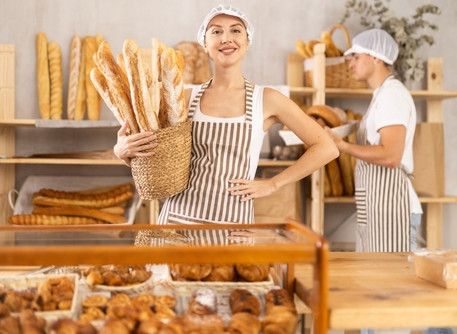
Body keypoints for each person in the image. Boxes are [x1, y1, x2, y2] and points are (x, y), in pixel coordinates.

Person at [114, 4, 338, 227]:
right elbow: (156, 155)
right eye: (216, 31)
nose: (226, 38)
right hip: (177, 222)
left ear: (247, 42)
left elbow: (326, 147)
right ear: (204, 43)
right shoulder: (185, 97)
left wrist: (273, 184)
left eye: (236, 30)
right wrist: (122, 150)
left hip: (233, 228)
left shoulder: (267, 99)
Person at [327, 28, 423, 252]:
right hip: (379, 208)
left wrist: (342, 146)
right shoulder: (382, 95)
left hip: (393, 209)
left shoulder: (391, 95)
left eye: (356, 57)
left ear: (376, 57)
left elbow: (391, 156)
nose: (350, 64)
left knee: (390, 284)